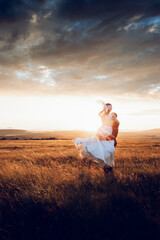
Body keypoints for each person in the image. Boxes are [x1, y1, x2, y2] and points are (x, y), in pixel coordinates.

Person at [74, 103, 120, 174]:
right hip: (102, 139)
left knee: (106, 154)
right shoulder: (105, 124)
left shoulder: (114, 125)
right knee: (92, 147)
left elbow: (113, 135)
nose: (111, 116)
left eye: (113, 115)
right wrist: (104, 109)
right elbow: (99, 132)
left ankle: (106, 169)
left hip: (107, 141)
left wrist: (108, 139)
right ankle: (88, 163)